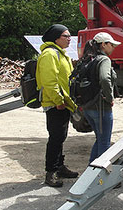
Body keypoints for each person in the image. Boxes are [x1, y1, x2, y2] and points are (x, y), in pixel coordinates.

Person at [36, 24, 79, 187]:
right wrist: (58, 101)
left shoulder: (60, 54)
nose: (69, 39)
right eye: (65, 36)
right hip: (55, 104)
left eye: (69, 36)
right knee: (55, 138)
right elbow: (49, 81)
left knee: (60, 136)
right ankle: (51, 173)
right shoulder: (50, 54)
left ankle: (59, 167)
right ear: (56, 38)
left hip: (63, 103)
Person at [80, 32, 120, 164]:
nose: (114, 47)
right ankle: (101, 178)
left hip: (87, 107)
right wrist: (110, 98)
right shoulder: (104, 60)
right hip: (101, 107)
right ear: (103, 44)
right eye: (112, 44)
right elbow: (104, 78)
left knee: (99, 139)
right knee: (104, 142)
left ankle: (91, 170)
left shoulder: (88, 59)